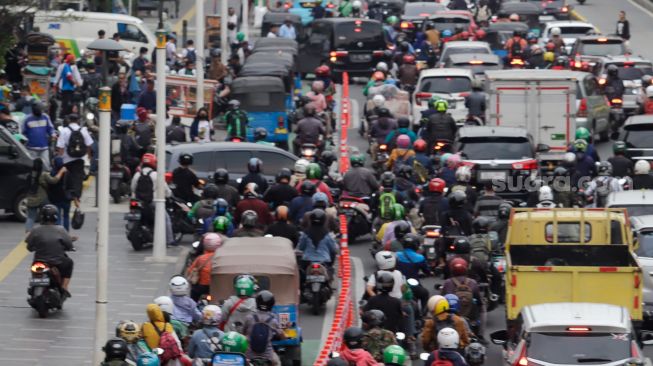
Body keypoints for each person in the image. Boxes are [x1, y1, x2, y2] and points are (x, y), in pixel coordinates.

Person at [26, 205, 75, 296]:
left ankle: (34, 286)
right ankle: (64, 287)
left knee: (33, 268)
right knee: (69, 262)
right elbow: (69, 245)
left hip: (39, 262)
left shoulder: (35, 229)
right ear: (55, 217)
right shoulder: (61, 229)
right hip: (58, 262)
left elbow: (29, 246)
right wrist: (70, 247)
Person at [130, 153, 175, 246]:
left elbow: (132, 188)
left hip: (138, 202)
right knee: (166, 219)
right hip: (153, 202)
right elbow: (166, 190)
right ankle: (169, 240)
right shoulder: (156, 175)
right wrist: (169, 195)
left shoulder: (137, 174)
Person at [56, 113, 94, 205]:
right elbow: (89, 144)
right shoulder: (83, 130)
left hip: (67, 159)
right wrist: (88, 155)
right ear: (78, 121)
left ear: (69, 120)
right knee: (78, 178)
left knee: (67, 177)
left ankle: (67, 195)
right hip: (80, 158)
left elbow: (60, 147)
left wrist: (59, 156)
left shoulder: (64, 131)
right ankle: (77, 197)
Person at [243, 291, 286, 365]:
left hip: (249, 355)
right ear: (271, 304)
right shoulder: (273, 320)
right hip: (267, 356)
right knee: (277, 363)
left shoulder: (249, 317)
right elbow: (282, 336)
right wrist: (283, 336)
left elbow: (243, 332)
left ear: (257, 302)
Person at [25, 158, 66, 232]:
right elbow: (54, 181)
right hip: (42, 200)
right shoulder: (43, 174)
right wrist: (61, 172)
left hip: (31, 199)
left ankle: (28, 234)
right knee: (45, 215)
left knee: (30, 218)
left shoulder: (29, 174)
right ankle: (44, 232)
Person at [297, 209, 339, 281]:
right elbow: (333, 248)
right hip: (324, 260)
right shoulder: (327, 234)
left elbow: (301, 247)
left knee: (301, 275)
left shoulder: (306, 233)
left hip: (307, 260)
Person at [186, 233, 222, 301]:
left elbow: (190, 271)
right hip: (217, 287)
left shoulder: (200, 258)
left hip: (202, 287)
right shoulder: (221, 258)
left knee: (193, 295)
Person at [23, 103, 55, 169]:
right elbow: (23, 132)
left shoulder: (46, 117)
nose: (41, 112)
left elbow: (51, 128)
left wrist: (53, 134)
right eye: (40, 110)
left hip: (44, 148)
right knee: (32, 167)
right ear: (34, 110)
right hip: (31, 148)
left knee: (46, 166)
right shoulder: (27, 119)